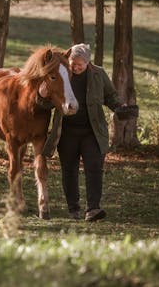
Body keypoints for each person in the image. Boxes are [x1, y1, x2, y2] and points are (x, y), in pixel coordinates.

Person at [42, 43, 121, 222]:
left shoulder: (98, 74)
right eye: (73, 64)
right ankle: (73, 209)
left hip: (92, 131)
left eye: (80, 64)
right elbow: (47, 103)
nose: (76, 68)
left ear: (87, 62)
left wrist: (119, 107)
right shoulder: (63, 73)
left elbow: (111, 96)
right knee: (69, 170)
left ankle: (93, 208)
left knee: (94, 168)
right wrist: (43, 94)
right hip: (67, 131)